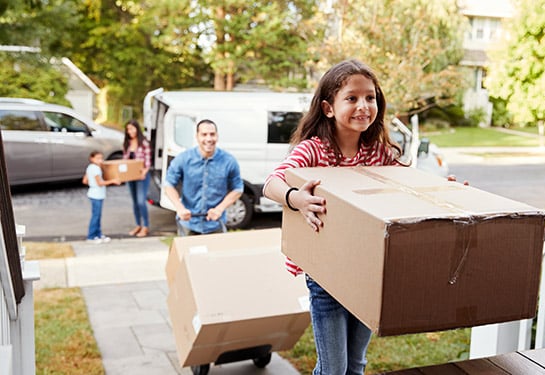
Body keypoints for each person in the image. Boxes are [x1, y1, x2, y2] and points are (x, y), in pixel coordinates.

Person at [264, 59, 467, 375]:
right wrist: (297, 199)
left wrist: (442, 190)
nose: (363, 106)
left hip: (366, 271)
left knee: (356, 365)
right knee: (334, 369)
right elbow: (271, 183)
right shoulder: (314, 150)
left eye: (370, 97)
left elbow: (408, 187)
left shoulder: (379, 152)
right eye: (352, 98)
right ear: (329, 108)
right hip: (326, 273)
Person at [164, 119, 244, 236]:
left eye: (212, 134)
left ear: (217, 136)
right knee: (187, 254)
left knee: (217, 255)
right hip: (188, 224)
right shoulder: (183, 159)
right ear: (197, 136)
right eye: (204, 134)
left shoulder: (229, 161)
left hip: (216, 224)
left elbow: (238, 189)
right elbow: (168, 185)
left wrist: (220, 209)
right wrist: (179, 207)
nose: (208, 139)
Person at [122, 119, 152, 237]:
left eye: (132, 129)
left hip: (142, 176)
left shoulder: (144, 142)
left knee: (141, 201)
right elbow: (125, 161)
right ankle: (138, 225)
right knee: (134, 202)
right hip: (131, 177)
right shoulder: (127, 143)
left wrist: (144, 172)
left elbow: (148, 161)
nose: (130, 131)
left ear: (137, 128)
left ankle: (146, 226)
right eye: (128, 129)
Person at [84, 150, 121, 244]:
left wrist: (92, 184)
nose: (100, 160)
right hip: (97, 194)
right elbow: (100, 183)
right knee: (96, 216)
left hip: (93, 193)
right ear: (92, 158)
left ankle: (98, 234)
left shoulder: (90, 167)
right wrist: (113, 181)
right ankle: (91, 236)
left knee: (97, 215)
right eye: (98, 158)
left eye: (101, 158)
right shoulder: (96, 169)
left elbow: (85, 180)